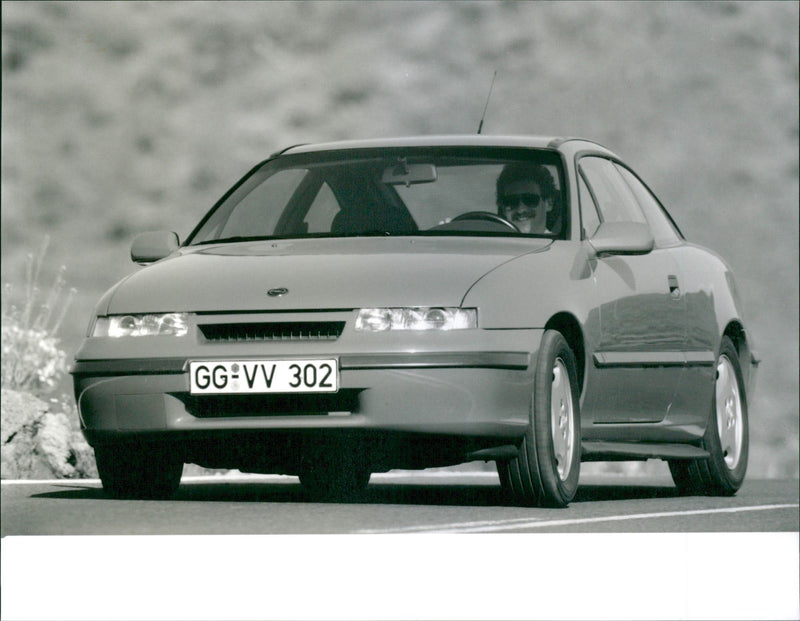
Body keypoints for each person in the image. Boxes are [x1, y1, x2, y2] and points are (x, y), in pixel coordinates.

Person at [496, 163, 560, 234]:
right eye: (511, 201)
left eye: (529, 199)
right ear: (503, 209)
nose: (520, 209)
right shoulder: (493, 243)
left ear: (549, 203)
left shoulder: (561, 245)